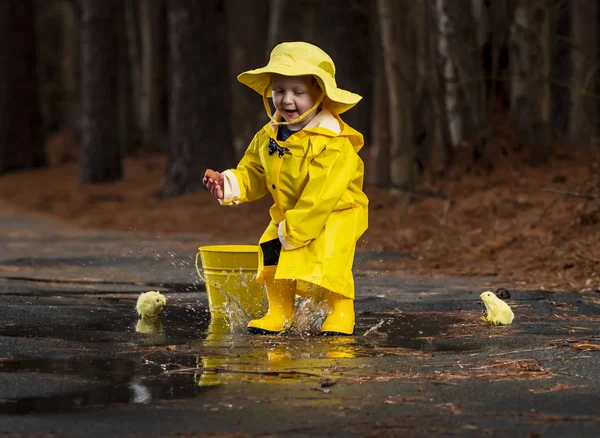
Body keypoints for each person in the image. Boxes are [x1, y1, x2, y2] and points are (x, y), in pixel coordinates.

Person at [203, 42, 368, 336]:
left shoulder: (333, 142)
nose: (286, 101)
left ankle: (341, 311)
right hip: (289, 213)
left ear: (320, 94)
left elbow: (323, 194)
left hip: (336, 212)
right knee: (272, 253)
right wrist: (229, 184)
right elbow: (254, 170)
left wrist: (296, 228)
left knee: (328, 259)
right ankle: (280, 311)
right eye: (279, 90)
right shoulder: (270, 135)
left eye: (298, 92)